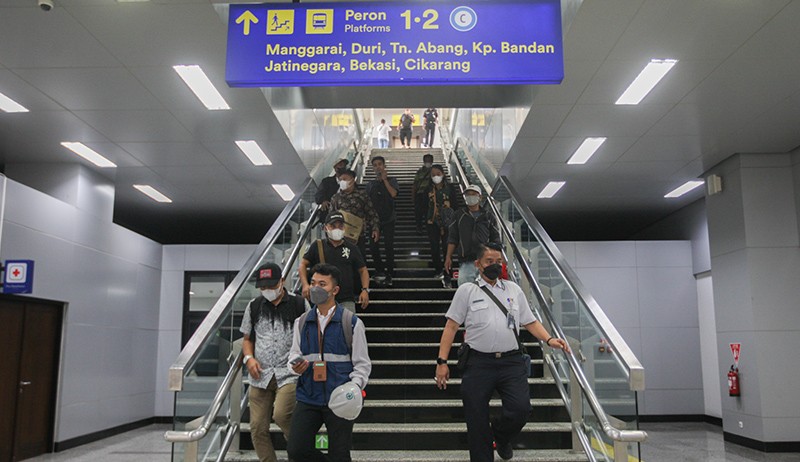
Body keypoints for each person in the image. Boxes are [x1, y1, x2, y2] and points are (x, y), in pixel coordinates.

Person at [435, 243, 570, 462]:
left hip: (511, 363)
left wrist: (549, 339)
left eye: (499, 262)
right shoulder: (467, 291)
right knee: (476, 421)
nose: (495, 266)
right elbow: (451, 327)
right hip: (478, 364)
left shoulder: (513, 290)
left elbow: (530, 321)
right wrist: (442, 362)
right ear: (478, 264)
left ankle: (501, 435)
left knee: (520, 410)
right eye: (489, 261)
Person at [287, 263, 372, 462]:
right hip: (309, 396)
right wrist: (295, 366)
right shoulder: (301, 322)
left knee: (339, 454)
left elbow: (362, 363)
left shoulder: (351, 322)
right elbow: (293, 354)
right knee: (297, 450)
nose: (315, 288)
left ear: (335, 290)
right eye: (313, 282)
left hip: (340, 398)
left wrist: (354, 387)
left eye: (322, 284)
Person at [240, 263, 307, 462]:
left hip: (289, 373)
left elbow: (310, 336)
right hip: (260, 375)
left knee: (281, 415)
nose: (267, 290)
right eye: (263, 287)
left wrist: (305, 360)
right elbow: (246, 339)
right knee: (257, 427)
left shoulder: (299, 304)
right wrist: (248, 358)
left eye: (271, 285)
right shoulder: (254, 306)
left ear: (282, 281)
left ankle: (301, 451)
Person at [300, 211, 370, 312]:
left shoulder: (352, 248)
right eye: (333, 226)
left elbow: (363, 270)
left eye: (340, 226)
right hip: (321, 297)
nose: (337, 229)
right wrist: (305, 285)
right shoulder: (318, 246)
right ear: (325, 227)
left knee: (347, 325)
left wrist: (365, 290)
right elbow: (303, 264)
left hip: (346, 298)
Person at [445, 185, 501, 286]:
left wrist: (498, 258)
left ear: (480, 197)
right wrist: (448, 257)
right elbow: (453, 238)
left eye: (474, 194)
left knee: (487, 290)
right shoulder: (458, 215)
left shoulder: (488, 216)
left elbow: (495, 238)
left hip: (485, 261)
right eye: (468, 195)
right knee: (465, 290)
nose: (470, 197)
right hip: (466, 260)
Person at [330, 169, 381, 262]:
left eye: (345, 179)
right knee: (342, 261)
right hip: (341, 236)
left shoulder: (362, 195)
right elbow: (330, 217)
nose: (342, 182)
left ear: (352, 180)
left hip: (358, 235)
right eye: (340, 180)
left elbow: (371, 213)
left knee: (359, 260)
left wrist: (375, 228)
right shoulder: (336, 198)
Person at [366, 155, 399, 287]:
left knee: (388, 246)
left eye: (380, 164)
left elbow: (394, 194)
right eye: (375, 165)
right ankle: (379, 269)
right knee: (373, 247)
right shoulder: (370, 185)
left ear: (384, 166)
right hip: (374, 221)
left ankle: (390, 272)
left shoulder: (392, 180)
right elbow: (367, 202)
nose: (378, 167)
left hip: (389, 219)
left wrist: (385, 180)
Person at [426, 164, 454, 283]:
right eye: (433, 175)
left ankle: (448, 273)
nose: (436, 176)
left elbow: (455, 205)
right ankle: (438, 270)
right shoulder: (428, 189)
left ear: (443, 174)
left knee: (447, 248)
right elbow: (422, 205)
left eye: (438, 174)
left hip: (448, 222)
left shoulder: (450, 188)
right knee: (434, 247)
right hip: (432, 222)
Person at [412, 154, 434, 234]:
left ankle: (429, 227)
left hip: (430, 195)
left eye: (429, 160)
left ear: (432, 161)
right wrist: (413, 197)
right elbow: (415, 184)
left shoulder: (434, 171)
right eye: (426, 160)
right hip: (420, 194)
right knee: (418, 212)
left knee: (428, 211)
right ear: (424, 161)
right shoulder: (420, 172)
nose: (428, 162)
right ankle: (419, 227)